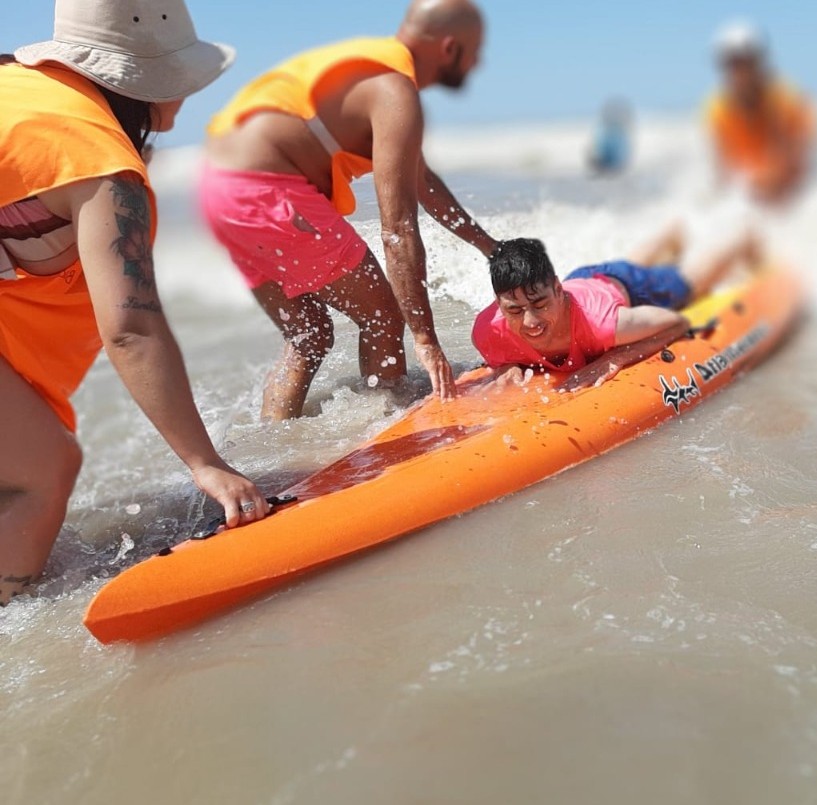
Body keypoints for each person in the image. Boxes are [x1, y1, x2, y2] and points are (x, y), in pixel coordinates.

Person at [0, 0, 269, 606]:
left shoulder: (17, 88)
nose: (184, 100)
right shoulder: (96, 160)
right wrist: (205, 463)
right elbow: (131, 329)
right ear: (147, 84)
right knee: (41, 472)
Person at [200, 0, 499, 421]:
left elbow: (421, 181)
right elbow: (397, 230)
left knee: (307, 334)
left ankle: (273, 449)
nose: (477, 63)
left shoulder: (369, 71)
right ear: (450, 48)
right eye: (475, 52)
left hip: (217, 190)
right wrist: (426, 340)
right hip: (267, 190)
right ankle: (388, 431)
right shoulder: (394, 90)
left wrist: (489, 247)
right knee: (383, 315)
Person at [472, 227, 759, 390]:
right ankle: (667, 236)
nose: (530, 321)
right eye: (515, 311)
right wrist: (508, 365)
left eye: (539, 305)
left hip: (626, 286)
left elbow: (677, 323)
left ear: (557, 290)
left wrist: (616, 357)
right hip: (585, 285)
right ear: (499, 304)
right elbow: (521, 315)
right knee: (626, 264)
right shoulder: (488, 334)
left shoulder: (604, 324)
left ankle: (740, 238)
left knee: (690, 282)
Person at [705, 21, 816, 205]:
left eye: (746, 62)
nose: (740, 72)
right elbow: (723, 169)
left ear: (759, 62)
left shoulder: (785, 98)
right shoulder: (717, 108)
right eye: (733, 64)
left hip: (789, 192)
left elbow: (794, 162)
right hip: (748, 187)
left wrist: (767, 184)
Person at [586, 98, 633, 176]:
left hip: (614, 164)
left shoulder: (617, 134)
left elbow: (621, 153)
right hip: (609, 163)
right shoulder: (606, 133)